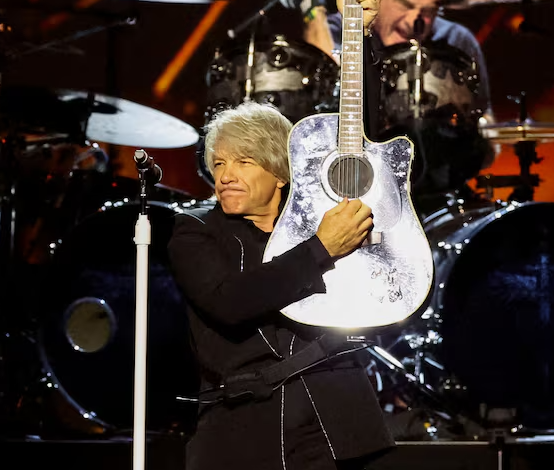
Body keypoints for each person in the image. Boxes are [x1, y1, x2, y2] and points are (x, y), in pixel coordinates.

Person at [167, 99, 395, 470]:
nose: (225, 175)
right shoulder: (195, 230)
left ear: (280, 173)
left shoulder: (325, 221)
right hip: (246, 424)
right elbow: (229, 301)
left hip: (335, 416)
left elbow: (390, 288)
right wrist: (320, 250)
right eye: (220, 163)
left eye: (244, 161)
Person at [294, 0, 496, 200]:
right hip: (352, 187)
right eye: (405, 5)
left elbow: (487, 128)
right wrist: (316, 18)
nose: (415, 20)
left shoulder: (456, 42)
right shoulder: (337, 28)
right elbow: (325, 104)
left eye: (429, 10)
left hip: (438, 193)